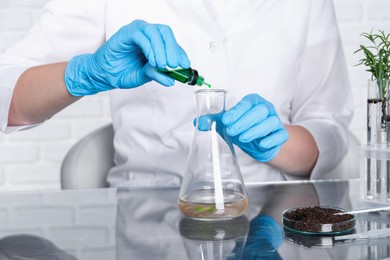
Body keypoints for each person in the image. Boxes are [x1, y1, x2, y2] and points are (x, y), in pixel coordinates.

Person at [0, 0, 353, 187]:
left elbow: (329, 126)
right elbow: (7, 98)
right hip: (145, 215)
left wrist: (277, 143)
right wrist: (86, 73)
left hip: (268, 213)